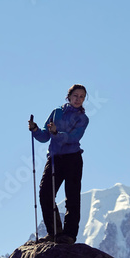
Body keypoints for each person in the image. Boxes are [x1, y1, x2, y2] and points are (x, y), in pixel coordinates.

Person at [28, 84, 89, 244]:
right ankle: (54, 232)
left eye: (82, 97)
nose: (78, 99)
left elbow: (73, 138)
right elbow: (44, 136)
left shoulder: (83, 118)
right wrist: (35, 130)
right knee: (45, 194)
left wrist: (56, 132)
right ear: (69, 96)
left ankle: (69, 235)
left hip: (73, 159)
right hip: (55, 158)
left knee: (72, 197)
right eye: (76, 95)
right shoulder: (56, 113)